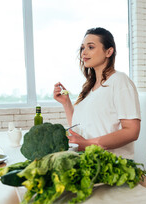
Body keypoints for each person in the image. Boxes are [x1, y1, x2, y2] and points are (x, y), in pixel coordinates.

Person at [53, 27, 141, 159]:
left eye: (91, 47)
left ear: (109, 51)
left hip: (113, 168)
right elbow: (80, 127)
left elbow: (132, 131)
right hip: (90, 163)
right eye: (83, 48)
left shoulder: (120, 81)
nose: (84, 53)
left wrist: (88, 144)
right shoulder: (89, 88)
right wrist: (66, 103)